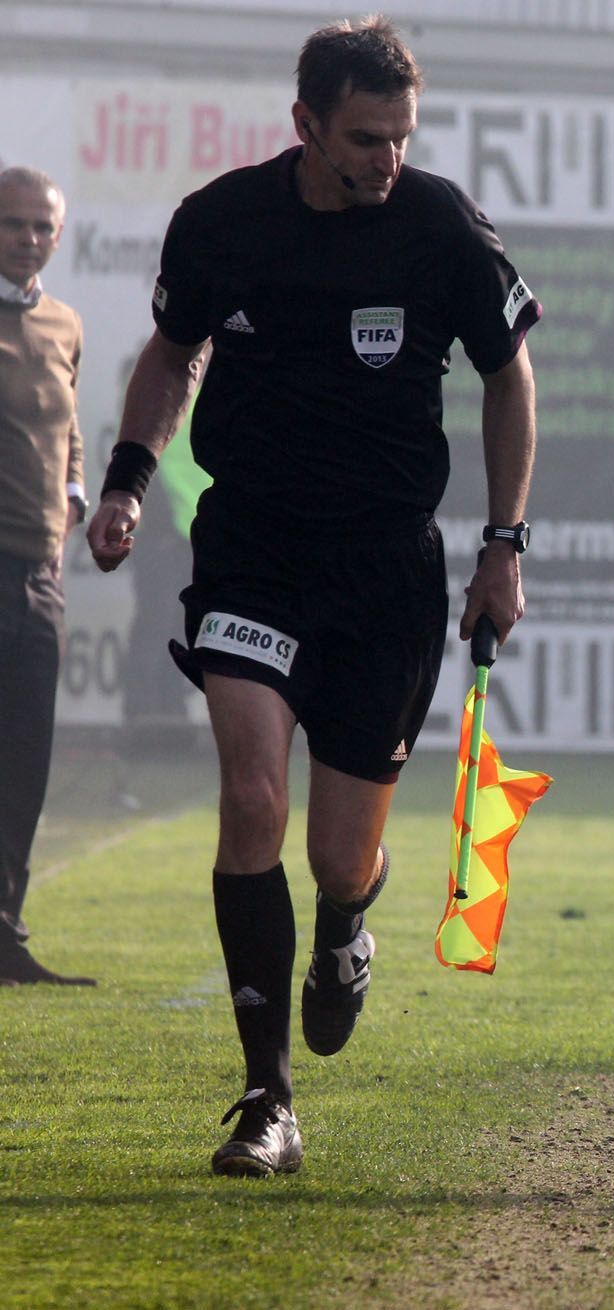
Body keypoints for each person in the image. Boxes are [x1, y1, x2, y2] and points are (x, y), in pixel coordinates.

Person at [86, 17, 541, 1178]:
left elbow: (508, 374)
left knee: (342, 855)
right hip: (253, 547)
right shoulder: (222, 222)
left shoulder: (441, 227)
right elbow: (171, 349)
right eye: (362, 138)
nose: (384, 159)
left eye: (400, 136)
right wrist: (131, 481)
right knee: (250, 793)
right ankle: (266, 1100)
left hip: (385, 568)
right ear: (303, 127)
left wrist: (503, 545)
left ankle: (345, 925)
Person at [0, 167, 96, 989]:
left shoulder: (64, 322)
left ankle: (6, 934)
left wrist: (76, 500)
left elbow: (68, 435)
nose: (29, 238)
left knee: (25, 757)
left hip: (40, 575)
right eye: (14, 224)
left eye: (42, 227)